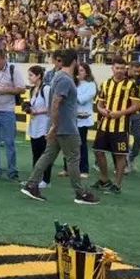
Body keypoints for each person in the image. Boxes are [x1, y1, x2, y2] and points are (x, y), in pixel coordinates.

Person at [20, 49, 100, 205]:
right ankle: (80, 193)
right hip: (65, 127)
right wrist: (56, 125)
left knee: (48, 155)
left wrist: (54, 124)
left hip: (58, 124)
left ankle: (32, 184)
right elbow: (56, 102)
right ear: (75, 61)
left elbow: (59, 104)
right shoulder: (65, 80)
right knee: (73, 158)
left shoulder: (58, 77)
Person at [93, 57, 140, 194]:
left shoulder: (131, 85)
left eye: (122, 68)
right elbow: (99, 103)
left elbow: (136, 105)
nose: (119, 71)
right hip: (104, 124)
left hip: (120, 126)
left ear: (125, 69)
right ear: (112, 68)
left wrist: (120, 113)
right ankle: (104, 179)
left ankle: (117, 184)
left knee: (120, 155)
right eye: (117, 68)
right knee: (98, 151)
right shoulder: (106, 84)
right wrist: (102, 111)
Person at [0, 47, 25, 181]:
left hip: (7, 110)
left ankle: (12, 170)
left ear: (4, 59)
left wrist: (5, 90)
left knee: (9, 142)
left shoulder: (13, 70)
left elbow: (22, 89)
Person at [25, 65, 51, 187]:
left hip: (43, 123)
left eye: (31, 75)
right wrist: (28, 107)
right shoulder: (32, 90)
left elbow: (50, 107)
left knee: (44, 153)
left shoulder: (46, 89)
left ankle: (46, 180)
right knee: (35, 152)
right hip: (34, 123)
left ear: (38, 76)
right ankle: (34, 178)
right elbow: (33, 103)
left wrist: (36, 111)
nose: (29, 78)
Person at [124, 61, 140, 173]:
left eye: (139, 71)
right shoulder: (122, 79)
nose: (137, 73)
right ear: (129, 69)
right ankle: (124, 164)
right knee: (123, 139)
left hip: (136, 113)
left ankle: (131, 157)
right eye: (135, 70)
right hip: (123, 113)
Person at [75, 62, 97, 178]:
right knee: (69, 144)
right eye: (77, 70)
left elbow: (81, 99)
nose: (79, 73)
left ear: (87, 72)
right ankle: (68, 168)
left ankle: (84, 169)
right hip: (71, 118)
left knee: (81, 144)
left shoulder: (91, 85)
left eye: (82, 70)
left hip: (83, 119)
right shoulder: (73, 83)